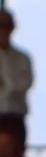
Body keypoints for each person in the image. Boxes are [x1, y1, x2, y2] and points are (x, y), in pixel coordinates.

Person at [0, 8, 30, 142]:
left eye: (6, 25)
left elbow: (25, 84)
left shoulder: (22, 58)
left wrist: (4, 82)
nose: (3, 30)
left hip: (16, 117)